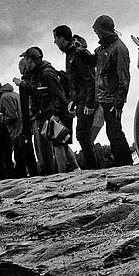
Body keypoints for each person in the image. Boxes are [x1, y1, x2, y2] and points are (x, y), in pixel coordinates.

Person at [19, 47, 73, 174]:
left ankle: (55, 174)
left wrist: (55, 114)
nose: (24, 63)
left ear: (30, 59)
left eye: (25, 59)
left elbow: (57, 95)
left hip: (48, 115)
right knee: (58, 144)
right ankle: (65, 171)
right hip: (43, 114)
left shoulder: (46, 73)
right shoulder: (37, 73)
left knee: (50, 147)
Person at [53, 25, 99, 169]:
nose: (55, 42)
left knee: (82, 135)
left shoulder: (77, 53)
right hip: (80, 99)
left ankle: (93, 168)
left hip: (86, 100)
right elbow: (75, 80)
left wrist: (89, 104)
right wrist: (73, 100)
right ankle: (93, 168)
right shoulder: (70, 53)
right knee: (83, 135)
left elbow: (90, 79)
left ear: (62, 38)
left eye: (56, 38)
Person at [92, 16, 133, 167]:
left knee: (115, 132)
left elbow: (124, 78)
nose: (96, 33)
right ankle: (121, 161)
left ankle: (124, 162)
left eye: (97, 31)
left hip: (112, 98)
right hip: (104, 97)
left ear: (103, 30)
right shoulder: (103, 48)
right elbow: (92, 61)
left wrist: (119, 103)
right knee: (112, 131)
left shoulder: (119, 48)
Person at [0, 79, 35, 177]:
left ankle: (22, 177)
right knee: (27, 156)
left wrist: (1, 118)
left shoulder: (4, 97)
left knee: (20, 157)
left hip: (17, 129)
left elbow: (12, 116)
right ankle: (32, 174)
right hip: (23, 127)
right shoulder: (13, 94)